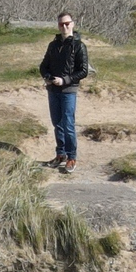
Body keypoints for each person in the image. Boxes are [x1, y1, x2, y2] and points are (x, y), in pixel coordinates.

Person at [39, 12, 90, 172]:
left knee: (68, 124)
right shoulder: (53, 45)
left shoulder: (79, 45)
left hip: (69, 90)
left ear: (73, 24)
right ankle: (60, 154)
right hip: (53, 89)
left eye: (67, 23)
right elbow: (43, 66)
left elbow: (83, 71)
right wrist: (47, 77)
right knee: (57, 123)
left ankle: (71, 157)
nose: (65, 27)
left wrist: (65, 80)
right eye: (61, 24)